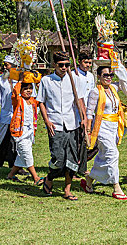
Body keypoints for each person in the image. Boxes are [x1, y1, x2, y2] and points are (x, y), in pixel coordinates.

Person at [37, 51, 87, 200]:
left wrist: (84, 118)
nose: (64, 68)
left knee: (72, 158)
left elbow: (80, 100)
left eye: (67, 65)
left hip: (72, 123)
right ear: (54, 65)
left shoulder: (75, 79)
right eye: (61, 65)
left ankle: (67, 189)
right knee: (58, 158)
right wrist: (47, 121)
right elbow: (41, 102)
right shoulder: (46, 80)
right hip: (55, 124)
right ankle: (49, 179)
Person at [80, 65, 127, 200]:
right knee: (113, 154)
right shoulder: (95, 92)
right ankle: (116, 187)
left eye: (111, 75)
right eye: (105, 75)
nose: (108, 78)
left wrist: (117, 65)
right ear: (99, 77)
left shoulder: (114, 88)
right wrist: (88, 131)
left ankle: (89, 179)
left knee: (104, 155)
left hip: (114, 127)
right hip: (101, 127)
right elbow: (89, 113)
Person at [5, 80, 44, 186]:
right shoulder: (18, 101)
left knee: (22, 155)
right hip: (20, 132)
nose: (28, 91)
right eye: (25, 89)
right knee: (27, 153)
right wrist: (20, 80)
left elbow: (42, 98)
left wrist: (39, 85)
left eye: (30, 88)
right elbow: (15, 92)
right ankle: (35, 177)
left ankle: (11, 175)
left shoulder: (33, 101)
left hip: (30, 132)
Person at [0, 55, 20, 173]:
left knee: (17, 140)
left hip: (19, 115)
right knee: (0, 138)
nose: (5, 67)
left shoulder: (23, 79)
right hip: (6, 114)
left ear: (15, 66)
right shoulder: (1, 79)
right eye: (4, 64)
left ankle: (16, 165)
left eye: (7, 64)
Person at [75, 51, 96, 176]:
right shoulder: (74, 75)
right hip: (77, 112)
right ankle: (81, 167)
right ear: (79, 62)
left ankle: (81, 162)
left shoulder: (90, 76)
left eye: (89, 63)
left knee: (91, 140)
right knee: (80, 139)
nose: (87, 65)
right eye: (85, 62)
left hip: (89, 111)